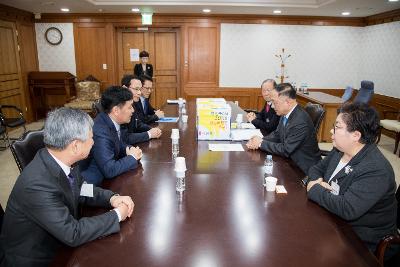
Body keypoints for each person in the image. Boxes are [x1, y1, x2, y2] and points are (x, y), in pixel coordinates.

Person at [0, 107, 134, 266]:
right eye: (91, 138)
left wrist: (111, 198)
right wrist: (117, 215)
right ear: (75, 146)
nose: (94, 142)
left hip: (59, 241)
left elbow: (82, 188)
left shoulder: (64, 159)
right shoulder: (37, 185)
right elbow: (73, 233)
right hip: (38, 258)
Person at [307, 102, 399, 258]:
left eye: (337, 127)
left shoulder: (376, 170)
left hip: (361, 240)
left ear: (356, 135)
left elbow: (347, 209)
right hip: (333, 219)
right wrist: (320, 183)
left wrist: (315, 188)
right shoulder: (340, 149)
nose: (331, 131)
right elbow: (316, 169)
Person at [246, 83, 321, 174]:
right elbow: (277, 134)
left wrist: (261, 143)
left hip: (303, 169)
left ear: (288, 102)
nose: (272, 106)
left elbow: (286, 149)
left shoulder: (300, 121)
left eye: (275, 102)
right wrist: (258, 141)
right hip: (289, 161)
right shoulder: (286, 112)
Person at [80, 86, 142, 185]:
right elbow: (109, 170)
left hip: (107, 180)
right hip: (94, 186)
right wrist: (132, 157)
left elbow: (117, 144)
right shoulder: (101, 132)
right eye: (130, 107)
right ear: (116, 110)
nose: (133, 110)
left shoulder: (109, 120)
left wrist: (130, 149)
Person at [120, 75, 162, 144]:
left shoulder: (131, 102)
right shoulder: (119, 106)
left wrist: (152, 130)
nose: (139, 93)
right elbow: (125, 138)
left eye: (140, 89)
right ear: (124, 88)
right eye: (136, 89)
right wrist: (149, 134)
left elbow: (138, 124)